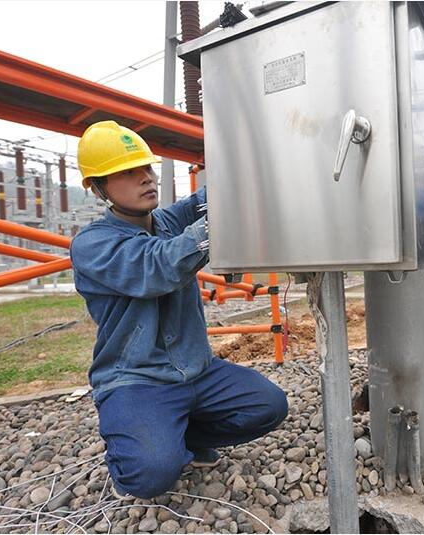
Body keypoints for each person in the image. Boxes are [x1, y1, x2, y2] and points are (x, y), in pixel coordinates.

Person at [70, 121, 288, 499]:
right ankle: (137, 451)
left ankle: (184, 436)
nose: (146, 177)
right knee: (150, 475)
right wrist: (220, 220)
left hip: (197, 371)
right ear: (99, 187)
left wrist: (252, 163)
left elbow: (208, 198)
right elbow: (158, 266)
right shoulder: (92, 245)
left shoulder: (166, 221)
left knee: (268, 405)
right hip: (137, 378)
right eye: (128, 172)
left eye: (146, 168)